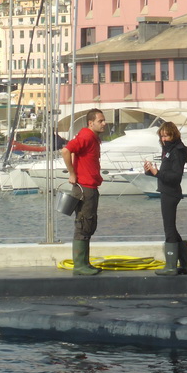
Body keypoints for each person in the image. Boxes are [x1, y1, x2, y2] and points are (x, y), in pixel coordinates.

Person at [61, 109, 107, 275]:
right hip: (85, 187)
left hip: (91, 187)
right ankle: (80, 265)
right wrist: (72, 173)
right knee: (83, 223)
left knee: (89, 224)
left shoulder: (93, 138)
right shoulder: (86, 136)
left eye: (103, 120)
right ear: (90, 123)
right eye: (100, 121)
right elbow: (66, 150)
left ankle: (84, 263)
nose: (104, 123)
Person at [143, 121, 187, 276]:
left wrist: (157, 173)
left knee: (169, 228)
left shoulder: (176, 151)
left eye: (166, 135)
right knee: (172, 229)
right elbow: (164, 174)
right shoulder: (168, 149)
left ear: (173, 134)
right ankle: (185, 265)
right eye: (162, 136)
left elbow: (175, 176)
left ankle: (171, 266)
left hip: (171, 193)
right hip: (167, 191)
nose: (164, 139)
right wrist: (150, 171)